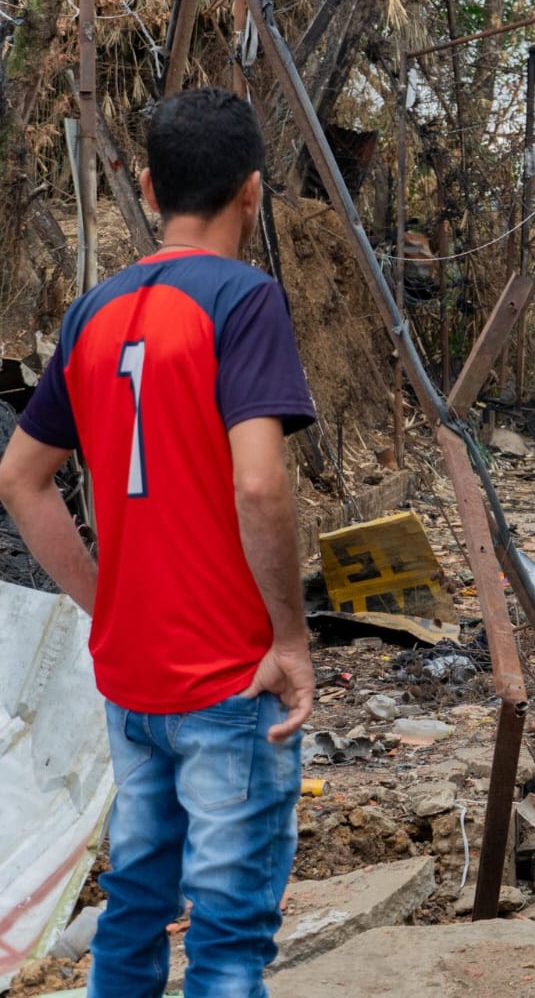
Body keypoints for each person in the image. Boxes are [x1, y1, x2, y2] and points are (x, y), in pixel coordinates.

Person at [0, 88, 317, 995]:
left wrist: (107, 604)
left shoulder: (92, 311)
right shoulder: (243, 301)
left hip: (131, 678)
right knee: (226, 929)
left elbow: (21, 478)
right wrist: (290, 639)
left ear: (147, 186)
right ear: (252, 192)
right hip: (227, 673)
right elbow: (258, 483)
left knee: (136, 901)